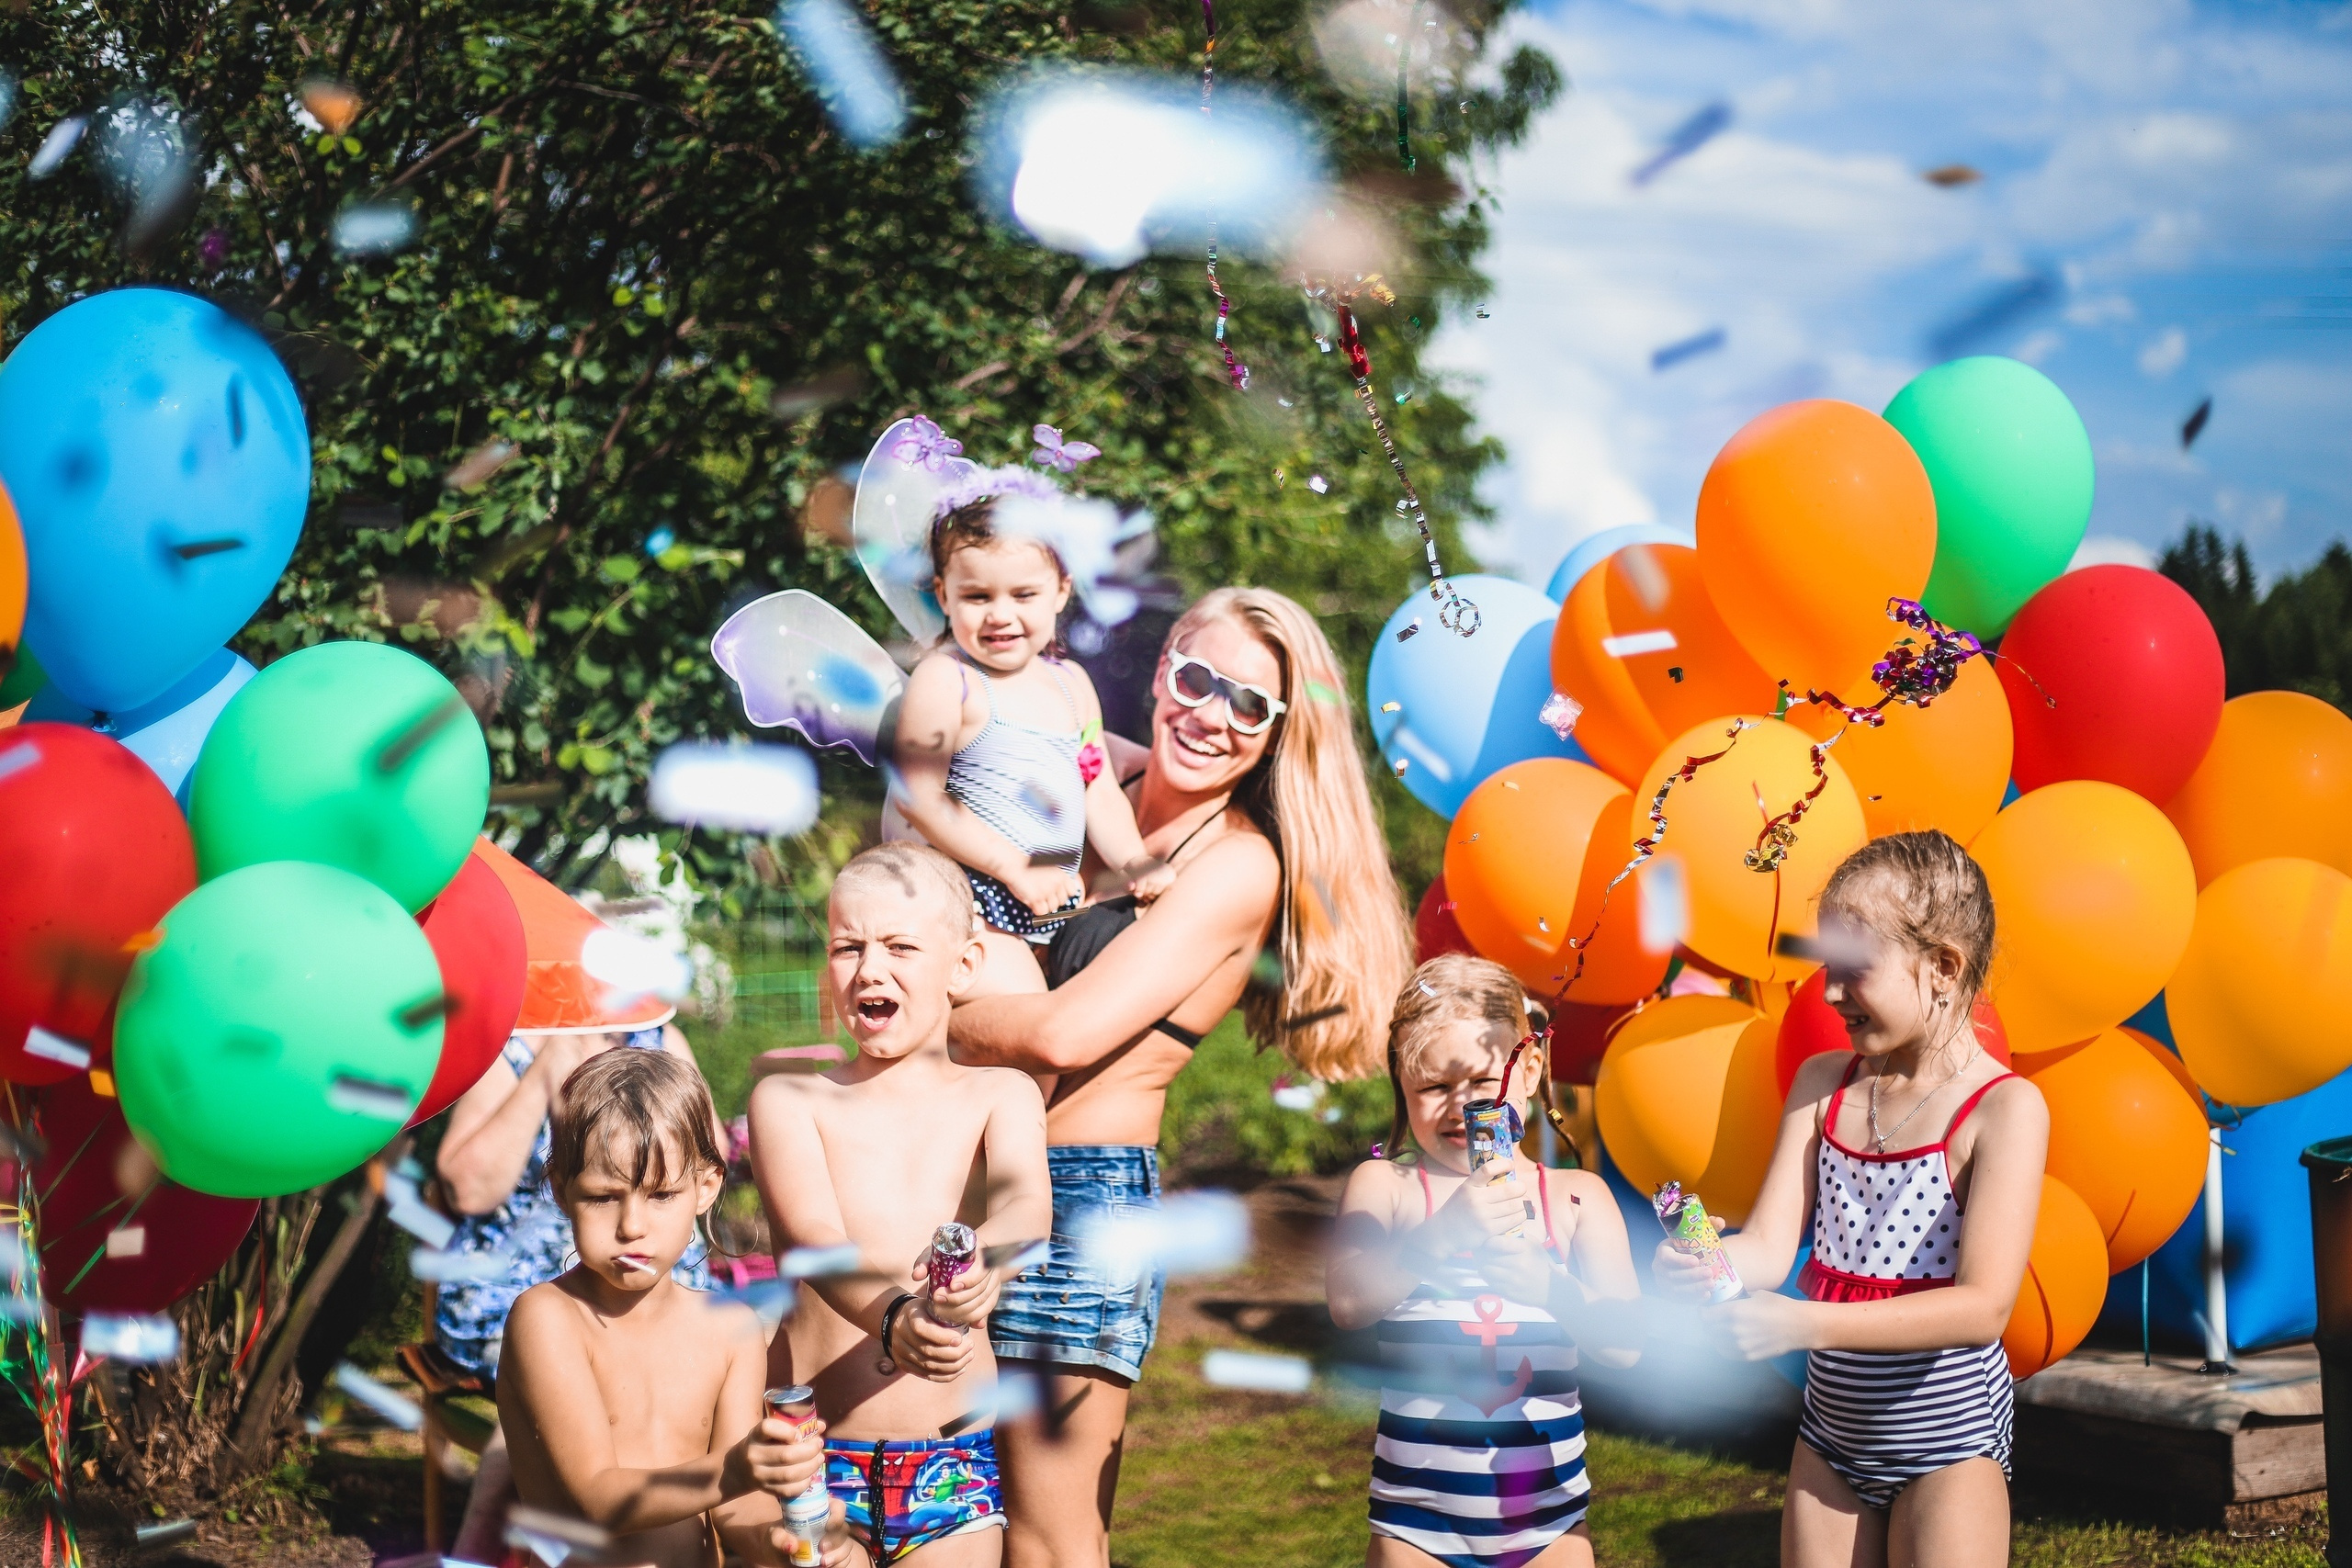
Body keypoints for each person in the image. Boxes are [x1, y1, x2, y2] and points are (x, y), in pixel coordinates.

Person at [948, 586, 1415, 1567]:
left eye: (1250, 704)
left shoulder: (1238, 866)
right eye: (1198, 680)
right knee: (952, 1512)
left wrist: (927, 1027)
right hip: (966, 1181)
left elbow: (1066, 1032)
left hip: (1080, 1212)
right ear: (1162, 669)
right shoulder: (1086, 784)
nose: (1212, 716)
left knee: (1048, 1536)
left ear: (1278, 732)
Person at [1652, 830, 2048, 1568]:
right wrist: (1704, 1255)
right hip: (1830, 1439)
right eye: (1827, 969)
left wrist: (1806, 1322)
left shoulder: (2004, 1107)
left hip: (1947, 1445)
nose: (1830, 993)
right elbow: (1769, 1247)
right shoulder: (1824, 1083)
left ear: (1942, 967)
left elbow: (1983, 1306)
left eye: (1852, 971)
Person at [746, 841, 1053, 1567]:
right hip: (816, 1459)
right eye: (847, 946)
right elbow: (811, 1238)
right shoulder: (791, 1099)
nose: (869, 968)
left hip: (951, 1460)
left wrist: (987, 1263)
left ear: (964, 965)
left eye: (899, 945)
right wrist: (892, 1317)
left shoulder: (1000, 1093)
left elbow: (1024, 1207)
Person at [1328, 954, 1641, 1568]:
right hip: (1417, 1525)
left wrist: (1553, 1289)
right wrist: (1442, 1234)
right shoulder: (1387, 1186)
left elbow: (1627, 1342)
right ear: (1402, 1085)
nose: (1460, 1105)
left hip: (1550, 1524)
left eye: (1477, 1081)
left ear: (1526, 1068)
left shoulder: (1577, 1196)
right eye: (1433, 1087)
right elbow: (1347, 1302)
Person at [497, 1047, 833, 1567]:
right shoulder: (548, 1318)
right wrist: (739, 1469)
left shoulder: (732, 1331)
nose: (631, 1225)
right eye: (603, 1197)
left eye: (660, 1195)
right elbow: (597, 1498)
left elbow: (735, 1512)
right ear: (562, 1193)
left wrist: (777, 1543)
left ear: (705, 1188)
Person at [431, 1023, 717, 1562]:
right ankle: (476, 1553)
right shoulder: (510, 1048)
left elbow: (705, 1159)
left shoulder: (659, 1038)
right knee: (566, 1412)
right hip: (512, 1297)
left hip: (669, 1292)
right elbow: (467, 1189)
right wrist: (543, 1072)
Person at [891, 471, 1172, 983]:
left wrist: (1133, 859)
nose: (1001, 614)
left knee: (1037, 1050)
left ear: (1061, 590)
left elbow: (1098, 786)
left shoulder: (1072, 684)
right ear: (944, 594)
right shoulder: (947, 679)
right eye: (978, 596)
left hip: (1047, 910)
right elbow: (918, 796)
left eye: (1024, 595)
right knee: (1021, 1028)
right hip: (968, 906)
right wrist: (1014, 868)